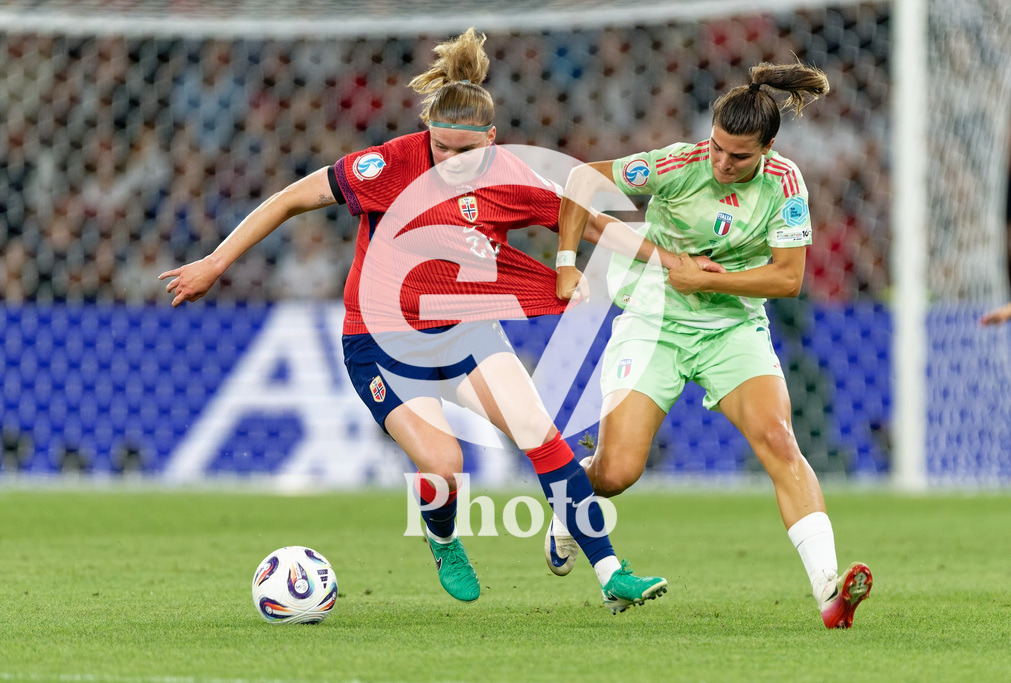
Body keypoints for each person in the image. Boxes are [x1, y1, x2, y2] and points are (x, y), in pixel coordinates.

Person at [160, 28, 672, 613]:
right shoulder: (389, 165)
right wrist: (215, 262)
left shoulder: (510, 176)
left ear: (492, 141)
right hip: (381, 344)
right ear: (427, 132)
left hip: (466, 332)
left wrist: (668, 262)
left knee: (541, 435)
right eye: (441, 147)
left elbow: (589, 218)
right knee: (446, 467)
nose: (450, 162)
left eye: (465, 151)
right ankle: (443, 535)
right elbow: (291, 198)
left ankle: (610, 573)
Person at [546, 62, 873, 629]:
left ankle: (828, 590)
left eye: (738, 157)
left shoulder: (785, 186)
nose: (722, 162)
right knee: (617, 472)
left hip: (731, 327)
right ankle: (570, 499)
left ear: (767, 150)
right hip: (654, 320)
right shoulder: (679, 163)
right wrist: (567, 263)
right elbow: (579, 181)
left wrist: (708, 281)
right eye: (718, 147)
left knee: (779, 440)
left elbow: (788, 278)